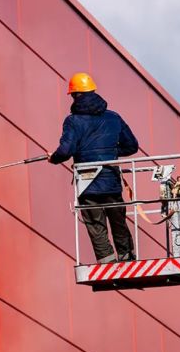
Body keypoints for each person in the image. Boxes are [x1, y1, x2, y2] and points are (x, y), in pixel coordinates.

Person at [48, 72, 139, 263]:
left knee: (95, 222)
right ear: (93, 91)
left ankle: (106, 260)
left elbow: (66, 150)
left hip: (88, 182)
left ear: (74, 96)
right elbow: (131, 146)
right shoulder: (114, 118)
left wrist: (53, 158)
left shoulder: (73, 121)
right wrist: (110, 155)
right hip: (111, 180)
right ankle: (127, 256)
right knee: (118, 219)